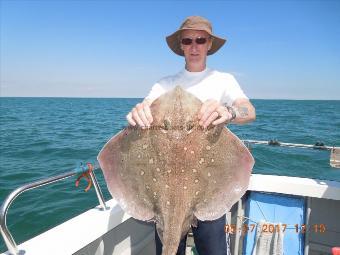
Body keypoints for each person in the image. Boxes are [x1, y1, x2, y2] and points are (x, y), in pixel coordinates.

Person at [126, 16, 256, 255]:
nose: (194, 46)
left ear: (209, 44)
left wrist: (228, 111)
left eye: (200, 40)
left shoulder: (224, 80)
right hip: (163, 189)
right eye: (188, 40)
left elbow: (249, 111)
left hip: (208, 187)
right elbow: (144, 108)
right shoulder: (164, 84)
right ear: (181, 45)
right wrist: (138, 112)